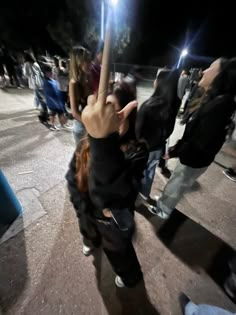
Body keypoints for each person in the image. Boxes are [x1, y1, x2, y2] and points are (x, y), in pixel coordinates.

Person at [66, 81, 148, 288]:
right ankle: (90, 241)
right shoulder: (85, 143)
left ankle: (129, 276)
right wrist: (81, 209)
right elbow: (72, 179)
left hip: (113, 224)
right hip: (88, 214)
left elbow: (117, 197)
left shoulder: (136, 151)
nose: (106, 118)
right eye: (103, 111)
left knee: (119, 253)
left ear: (128, 114)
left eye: (114, 112)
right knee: (89, 233)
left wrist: (103, 143)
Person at [150, 57, 236, 219]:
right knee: (178, 181)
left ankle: (163, 210)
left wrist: (175, 151)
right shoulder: (221, 100)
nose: (203, 71)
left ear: (220, 75)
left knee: (178, 183)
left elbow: (199, 140)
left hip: (194, 157)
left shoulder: (220, 105)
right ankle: (164, 202)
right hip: (197, 156)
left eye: (211, 67)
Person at [135, 69, 180, 203]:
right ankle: (144, 194)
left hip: (144, 149)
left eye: (157, 78)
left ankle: (133, 195)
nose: (154, 81)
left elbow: (138, 132)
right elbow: (170, 130)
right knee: (150, 172)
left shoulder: (148, 105)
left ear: (160, 83)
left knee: (137, 172)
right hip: (158, 147)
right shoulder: (173, 104)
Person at [69, 46, 92, 144]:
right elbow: (74, 113)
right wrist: (91, 125)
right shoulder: (73, 83)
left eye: (89, 60)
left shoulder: (87, 78)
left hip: (89, 125)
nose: (90, 64)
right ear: (78, 63)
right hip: (82, 128)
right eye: (86, 61)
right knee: (82, 158)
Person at [43, 65, 71, 131]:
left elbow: (57, 90)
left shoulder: (52, 80)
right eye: (50, 72)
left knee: (61, 112)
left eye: (51, 71)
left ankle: (63, 124)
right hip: (52, 102)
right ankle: (52, 125)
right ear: (45, 73)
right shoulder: (46, 82)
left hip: (58, 100)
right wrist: (54, 102)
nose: (51, 73)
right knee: (53, 114)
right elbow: (49, 95)